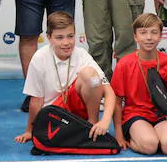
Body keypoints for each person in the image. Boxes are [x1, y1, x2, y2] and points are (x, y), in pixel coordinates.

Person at [14, 11, 116, 144]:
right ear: (49, 37)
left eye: (70, 36)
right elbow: (36, 100)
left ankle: (92, 124)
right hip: (54, 113)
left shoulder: (81, 55)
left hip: (78, 110)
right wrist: (29, 131)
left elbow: (108, 91)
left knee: (91, 77)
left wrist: (106, 120)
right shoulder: (39, 58)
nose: (66, 42)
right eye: (59, 37)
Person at [111, 13, 167, 155]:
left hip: (162, 114)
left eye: (154, 32)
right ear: (135, 36)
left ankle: (156, 134)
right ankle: (135, 137)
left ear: (161, 35)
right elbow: (117, 103)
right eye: (143, 33)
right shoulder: (124, 64)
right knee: (150, 146)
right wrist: (118, 135)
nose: (149, 37)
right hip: (135, 115)